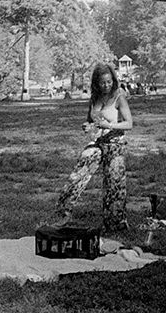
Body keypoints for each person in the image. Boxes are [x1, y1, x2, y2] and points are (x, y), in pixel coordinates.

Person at [54, 63, 133, 233]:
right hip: (97, 142)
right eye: (103, 83)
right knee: (78, 174)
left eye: (109, 82)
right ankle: (63, 212)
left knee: (114, 185)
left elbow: (129, 124)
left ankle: (115, 224)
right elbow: (90, 121)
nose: (106, 86)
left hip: (115, 144)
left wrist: (110, 125)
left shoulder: (119, 97)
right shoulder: (94, 98)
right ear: (96, 83)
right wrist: (87, 126)